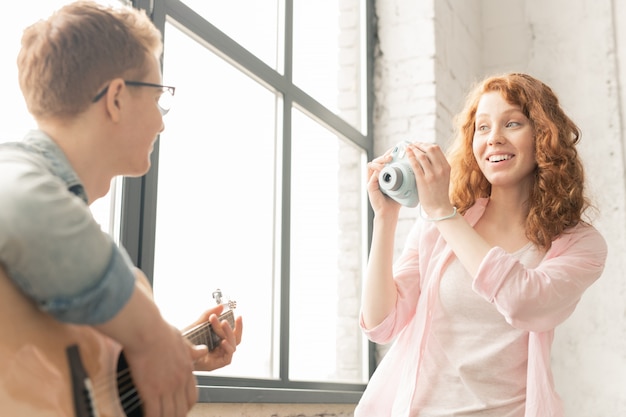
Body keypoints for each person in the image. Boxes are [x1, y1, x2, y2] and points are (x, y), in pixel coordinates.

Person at [0, 2, 242, 417]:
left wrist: (174, 357)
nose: (161, 124)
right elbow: (19, 207)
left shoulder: (70, 241)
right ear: (115, 99)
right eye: (158, 97)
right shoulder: (15, 170)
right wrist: (150, 335)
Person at [356, 73, 607, 416]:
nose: (494, 139)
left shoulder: (580, 244)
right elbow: (381, 323)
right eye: (483, 127)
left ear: (543, 136)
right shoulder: (440, 224)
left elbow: (524, 302)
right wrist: (384, 219)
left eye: (513, 123)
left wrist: (443, 213)